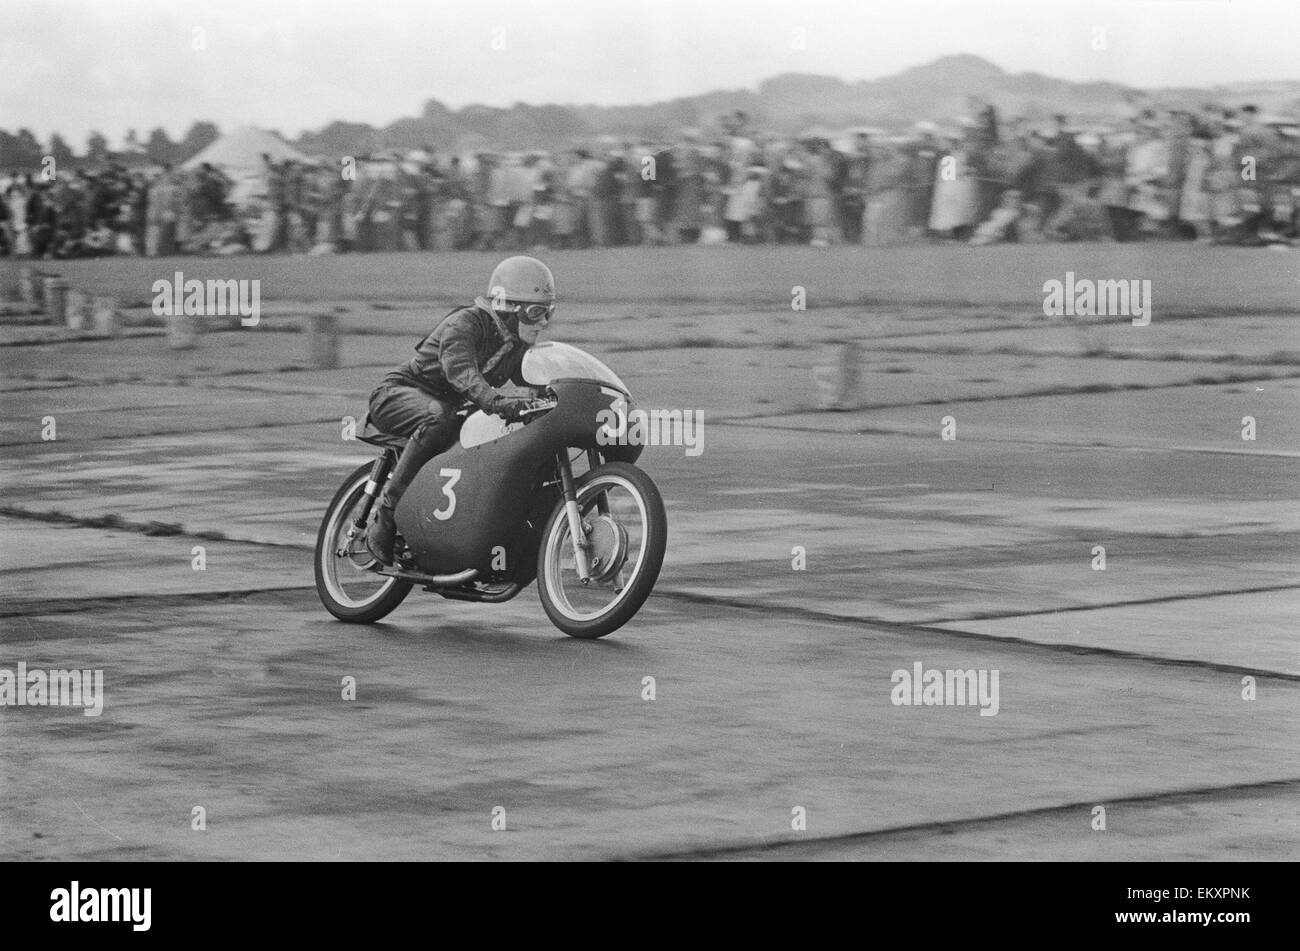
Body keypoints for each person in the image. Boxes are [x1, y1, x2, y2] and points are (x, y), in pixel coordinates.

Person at [362, 256, 557, 565]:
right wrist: (497, 403)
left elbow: (536, 380)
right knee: (439, 417)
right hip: (398, 394)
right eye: (536, 312)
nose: (543, 322)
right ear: (508, 306)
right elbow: (462, 373)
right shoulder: (465, 324)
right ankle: (384, 519)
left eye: (548, 312)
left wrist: (555, 398)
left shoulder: (516, 344)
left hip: (450, 409)